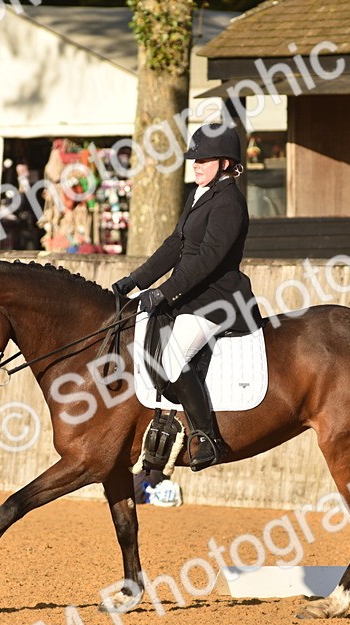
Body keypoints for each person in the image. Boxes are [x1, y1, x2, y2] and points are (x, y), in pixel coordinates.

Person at [112, 123, 259, 471]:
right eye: (193, 159)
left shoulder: (229, 203)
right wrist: (135, 280)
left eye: (203, 160)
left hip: (220, 299)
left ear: (225, 162)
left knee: (174, 358)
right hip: (192, 292)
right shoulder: (200, 194)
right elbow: (175, 245)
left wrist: (162, 292)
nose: (195, 165)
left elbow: (208, 259)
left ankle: (207, 438)